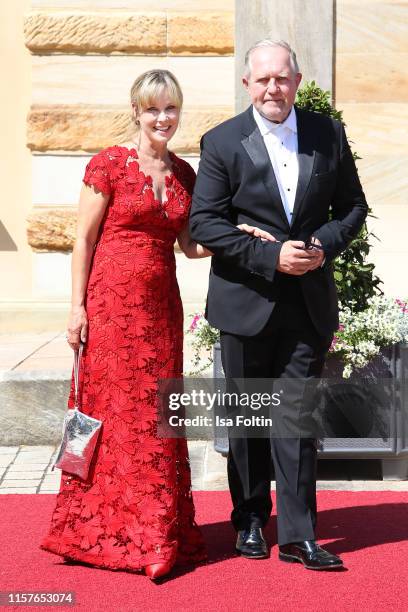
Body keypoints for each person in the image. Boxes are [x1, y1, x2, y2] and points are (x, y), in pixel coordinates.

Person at [40, 69, 272, 580]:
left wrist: (242, 235)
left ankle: (157, 531)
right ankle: (103, 530)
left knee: (156, 418)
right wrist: (76, 309)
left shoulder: (185, 173)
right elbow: (82, 241)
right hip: (111, 306)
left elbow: (189, 247)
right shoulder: (109, 164)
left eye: (170, 109)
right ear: (136, 111)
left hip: (161, 310)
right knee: (115, 415)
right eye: (152, 110)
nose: (162, 119)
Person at [190, 40, 368, 570]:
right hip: (245, 301)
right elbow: (205, 223)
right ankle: (248, 520)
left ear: (296, 79)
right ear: (248, 84)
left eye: (282, 78)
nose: (273, 88)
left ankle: (297, 534)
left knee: (296, 419)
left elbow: (354, 208)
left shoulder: (327, 133)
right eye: (263, 79)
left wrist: (321, 246)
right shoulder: (222, 142)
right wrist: (271, 258)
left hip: (308, 303)